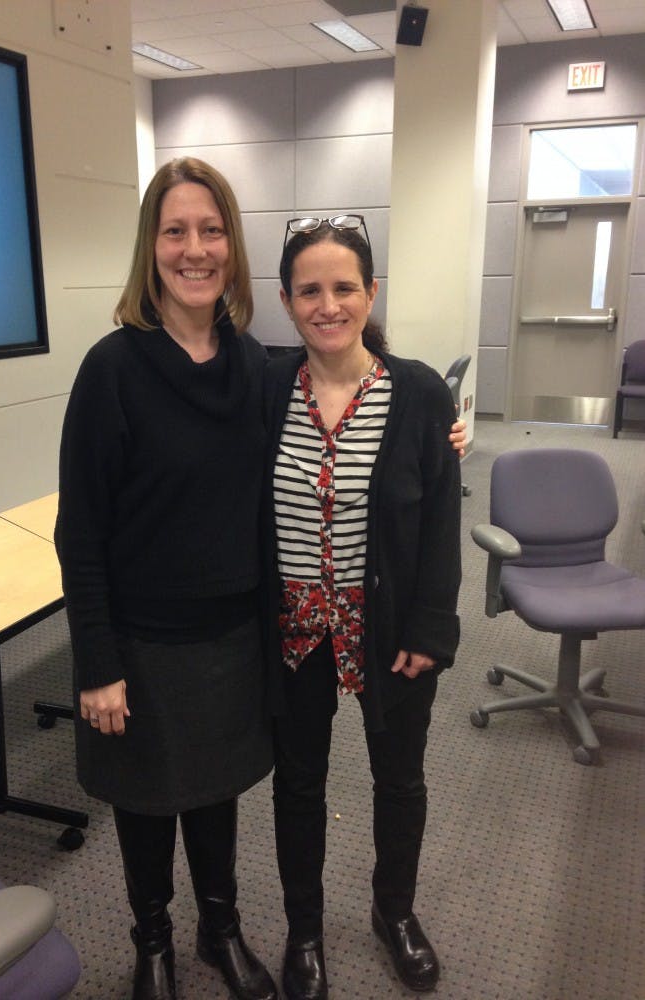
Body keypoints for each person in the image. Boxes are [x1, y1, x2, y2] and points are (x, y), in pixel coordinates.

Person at [54, 158, 278, 1000]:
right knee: (145, 803)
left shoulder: (254, 366)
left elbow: (351, 377)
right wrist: (96, 664)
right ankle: (152, 944)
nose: (195, 249)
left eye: (211, 230)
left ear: (232, 245)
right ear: (151, 249)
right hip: (139, 646)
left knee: (214, 794)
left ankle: (219, 931)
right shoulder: (112, 369)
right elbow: (80, 533)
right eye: (176, 231)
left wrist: (433, 421)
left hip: (229, 640)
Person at [262, 215, 462, 999]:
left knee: (399, 781)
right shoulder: (265, 387)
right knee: (298, 784)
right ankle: (303, 932)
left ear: (370, 292)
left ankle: (394, 913)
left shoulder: (417, 394)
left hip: (388, 629)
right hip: (294, 630)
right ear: (286, 300)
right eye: (309, 290)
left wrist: (430, 628)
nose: (328, 304)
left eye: (344, 287)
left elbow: (442, 517)